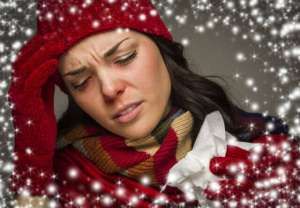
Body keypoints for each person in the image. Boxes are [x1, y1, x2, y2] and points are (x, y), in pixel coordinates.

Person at [8, 0, 299, 207]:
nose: (110, 89)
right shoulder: (62, 181)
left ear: (162, 49)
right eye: (81, 82)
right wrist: (32, 165)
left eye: (124, 59)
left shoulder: (262, 149)